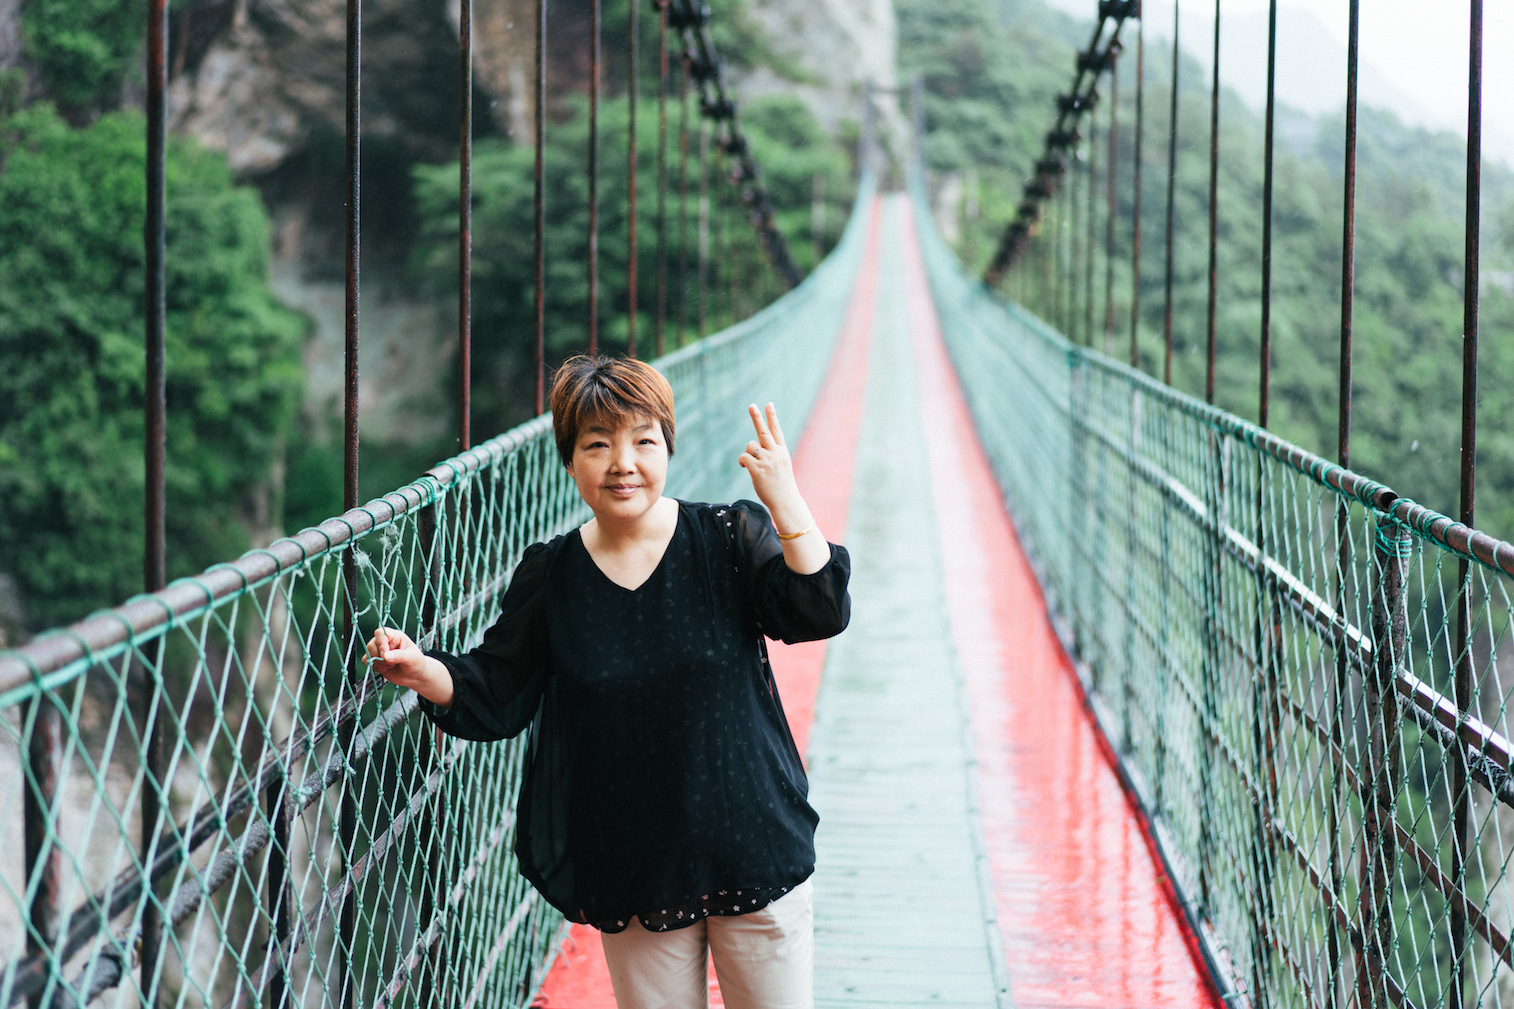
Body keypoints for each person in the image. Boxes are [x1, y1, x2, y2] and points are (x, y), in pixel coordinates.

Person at [365, 355, 851, 1009]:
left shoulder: (727, 538)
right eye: (598, 444)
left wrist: (784, 496)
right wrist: (423, 669)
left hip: (753, 844)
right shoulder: (553, 575)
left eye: (643, 441)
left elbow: (817, 608)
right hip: (637, 867)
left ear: (668, 448)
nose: (623, 462)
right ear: (570, 461)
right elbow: (496, 687)